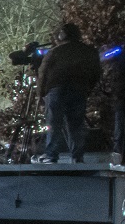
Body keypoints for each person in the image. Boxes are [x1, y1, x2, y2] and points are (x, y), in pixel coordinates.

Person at [34, 22, 101, 164]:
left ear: (62, 35)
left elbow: (43, 74)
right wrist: (87, 89)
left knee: (54, 123)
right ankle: (77, 156)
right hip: (79, 89)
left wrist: (40, 95)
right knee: (76, 124)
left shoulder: (55, 52)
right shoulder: (89, 52)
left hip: (56, 90)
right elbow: (96, 73)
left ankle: (51, 155)